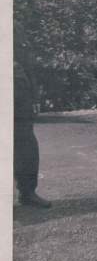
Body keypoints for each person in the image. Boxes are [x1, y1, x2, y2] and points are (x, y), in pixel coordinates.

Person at [14, 28, 51, 208]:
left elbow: (26, 65)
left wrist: (35, 97)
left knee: (26, 146)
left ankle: (27, 192)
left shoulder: (13, 26)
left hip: (18, 96)